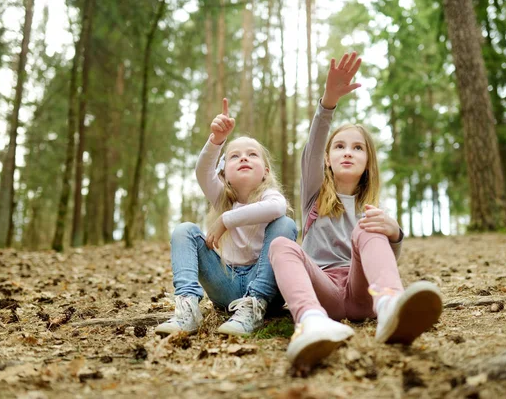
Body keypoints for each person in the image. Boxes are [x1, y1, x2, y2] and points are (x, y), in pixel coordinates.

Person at [268, 52, 443, 368]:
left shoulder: (372, 209)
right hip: (325, 294)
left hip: (364, 295)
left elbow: (383, 261)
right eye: (339, 146)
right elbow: (313, 146)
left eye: (357, 147)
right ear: (326, 159)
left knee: (372, 227)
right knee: (281, 244)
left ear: (367, 163)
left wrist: (396, 235)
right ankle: (310, 321)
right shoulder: (314, 195)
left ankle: (390, 307)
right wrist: (328, 103)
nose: (347, 152)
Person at [156, 98, 298, 337]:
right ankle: (187, 308)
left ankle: (253, 307)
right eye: (234, 156)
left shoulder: (270, 196)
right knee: (184, 230)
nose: (243, 158)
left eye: (252, 154)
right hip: (227, 284)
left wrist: (225, 220)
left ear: (265, 172)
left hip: (266, 289)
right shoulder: (222, 198)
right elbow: (202, 171)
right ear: (224, 174)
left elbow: (277, 208)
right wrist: (216, 140)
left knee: (285, 224)